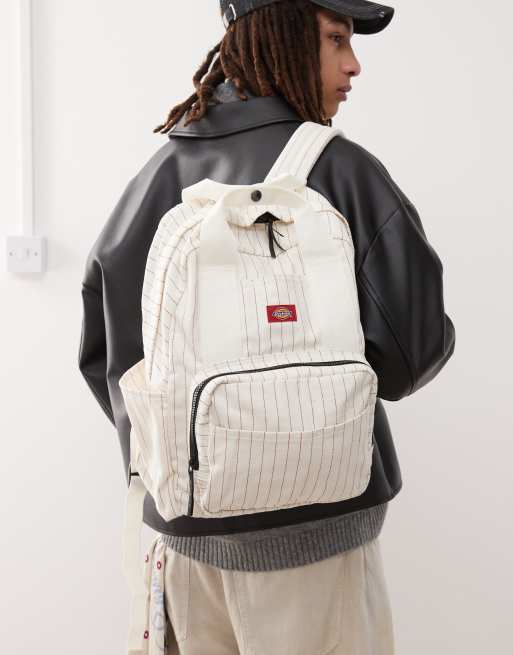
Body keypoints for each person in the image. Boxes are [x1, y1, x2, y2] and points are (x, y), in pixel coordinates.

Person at [78, 1, 456, 653]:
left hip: (185, 546)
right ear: (281, 38)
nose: (353, 65)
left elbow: (105, 354)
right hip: (317, 547)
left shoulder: (159, 176)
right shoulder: (343, 171)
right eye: (335, 39)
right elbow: (409, 355)